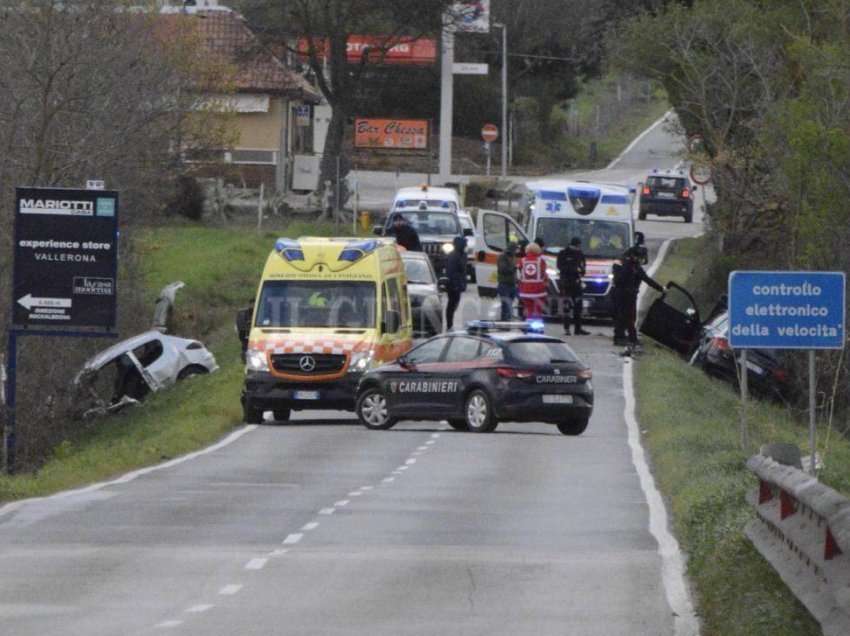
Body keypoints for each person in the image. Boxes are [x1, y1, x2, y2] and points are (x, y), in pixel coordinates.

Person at [612, 247, 664, 347]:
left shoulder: (635, 267)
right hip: (621, 295)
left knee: (631, 317)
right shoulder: (623, 264)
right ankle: (620, 338)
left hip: (631, 295)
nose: (641, 261)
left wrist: (661, 288)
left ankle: (631, 338)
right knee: (622, 317)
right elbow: (619, 280)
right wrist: (628, 268)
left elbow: (646, 279)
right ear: (634, 256)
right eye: (640, 258)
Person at [557, 237, 589, 336]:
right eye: (578, 245)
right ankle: (570, 328)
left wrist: (580, 272)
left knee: (575, 306)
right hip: (568, 283)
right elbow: (560, 266)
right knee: (570, 306)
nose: (579, 247)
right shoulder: (566, 253)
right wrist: (574, 270)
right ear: (576, 245)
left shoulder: (579, 254)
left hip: (572, 283)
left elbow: (583, 267)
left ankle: (576, 328)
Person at [518, 241, 547, 320]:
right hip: (538, 290)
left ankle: (528, 325)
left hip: (525, 290)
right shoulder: (541, 261)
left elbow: (520, 272)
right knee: (538, 310)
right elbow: (543, 273)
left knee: (528, 309)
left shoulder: (522, 260)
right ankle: (537, 328)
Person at [444, 235, 467, 330]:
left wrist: (463, 283)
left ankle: (450, 324)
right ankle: (449, 325)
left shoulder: (463, 255)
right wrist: (454, 285)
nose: (466, 245)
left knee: (455, 304)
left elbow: (464, 270)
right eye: (464, 243)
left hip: (459, 283)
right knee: (451, 305)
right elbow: (451, 271)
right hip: (453, 285)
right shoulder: (453, 256)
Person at [496, 242, 517, 321]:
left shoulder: (512, 256)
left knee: (509, 304)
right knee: (505, 305)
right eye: (515, 249)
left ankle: (507, 320)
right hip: (504, 284)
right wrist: (513, 269)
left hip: (512, 284)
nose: (516, 251)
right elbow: (502, 269)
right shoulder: (502, 257)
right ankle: (504, 322)